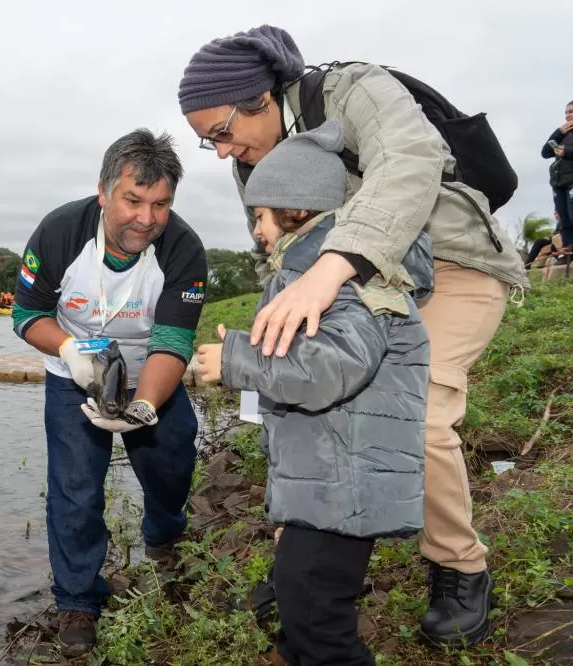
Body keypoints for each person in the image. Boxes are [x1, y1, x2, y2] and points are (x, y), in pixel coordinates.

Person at [177, 24, 530, 649]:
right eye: (209, 143)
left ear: (260, 97)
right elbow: (278, 252)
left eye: (223, 132)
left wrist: (332, 268)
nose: (224, 151)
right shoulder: (254, 156)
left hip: (450, 266)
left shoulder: (355, 88)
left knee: (418, 417)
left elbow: (409, 161)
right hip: (344, 284)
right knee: (299, 407)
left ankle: (458, 565)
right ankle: (307, 566)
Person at [196, 120, 431, 665]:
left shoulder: (344, 281)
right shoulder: (305, 276)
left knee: (319, 620)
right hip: (326, 484)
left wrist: (237, 361)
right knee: (298, 601)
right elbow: (305, 357)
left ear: (295, 211)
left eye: (260, 215)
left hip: (343, 487)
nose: (256, 228)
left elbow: (337, 367)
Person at [12, 128, 208, 657]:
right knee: (76, 487)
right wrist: (73, 354)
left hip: (151, 367)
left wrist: (144, 405)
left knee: (172, 456)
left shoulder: (184, 248)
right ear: (103, 192)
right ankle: (77, 597)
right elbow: (26, 316)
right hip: (73, 369)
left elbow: (172, 340)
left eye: (161, 204)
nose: (146, 218)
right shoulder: (59, 231)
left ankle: (164, 534)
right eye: (133, 200)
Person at [542, 100, 573, 253]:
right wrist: (558, 132)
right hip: (559, 183)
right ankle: (569, 250)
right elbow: (545, 152)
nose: (568, 115)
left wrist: (566, 152)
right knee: (564, 218)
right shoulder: (562, 134)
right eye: (566, 112)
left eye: (571, 112)